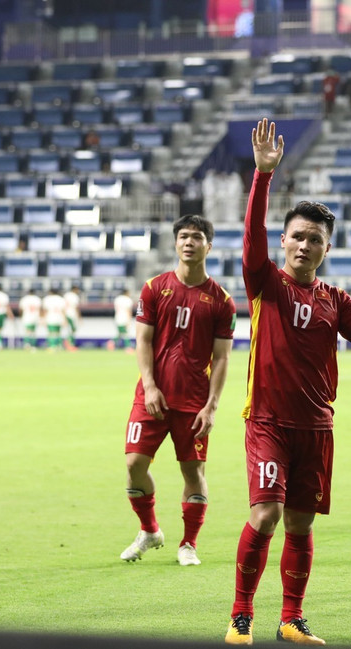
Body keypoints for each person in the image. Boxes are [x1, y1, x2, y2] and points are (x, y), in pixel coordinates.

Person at [225, 119, 351, 646]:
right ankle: (240, 617)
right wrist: (263, 177)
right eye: (297, 237)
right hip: (268, 422)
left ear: (327, 248)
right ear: (284, 241)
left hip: (316, 426)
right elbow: (250, 240)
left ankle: (291, 619)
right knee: (267, 513)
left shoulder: (337, 301)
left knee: (300, 525)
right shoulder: (265, 283)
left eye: (315, 240)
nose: (304, 245)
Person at [119, 214, 236, 567]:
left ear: (208, 246)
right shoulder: (154, 288)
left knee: (192, 473)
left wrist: (212, 406)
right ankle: (150, 530)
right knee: (134, 464)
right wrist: (151, 386)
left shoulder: (222, 301)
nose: (189, 242)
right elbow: (143, 340)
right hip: (151, 398)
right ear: (175, 243)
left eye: (196, 237)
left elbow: (222, 357)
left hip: (194, 402)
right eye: (183, 236)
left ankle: (188, 544)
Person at [111, 287, 135, 352]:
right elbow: (128, 311)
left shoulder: (117, 299)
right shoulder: (128, 299)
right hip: (124, 318)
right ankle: (128, 347)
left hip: (117, 317)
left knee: (120, 333)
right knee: (125, 333)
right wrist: (129, 320)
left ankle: (111, 344)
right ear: (126, 293)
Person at [63, 285, 82, 350]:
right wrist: (79, 317)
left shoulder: (66, 295)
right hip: (72, 314)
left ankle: (69, 343)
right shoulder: (74, 296)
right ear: (74, 289)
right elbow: (76, 307)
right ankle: (70, 344)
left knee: (70, 330)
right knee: (72, 330)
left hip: (66, 314)